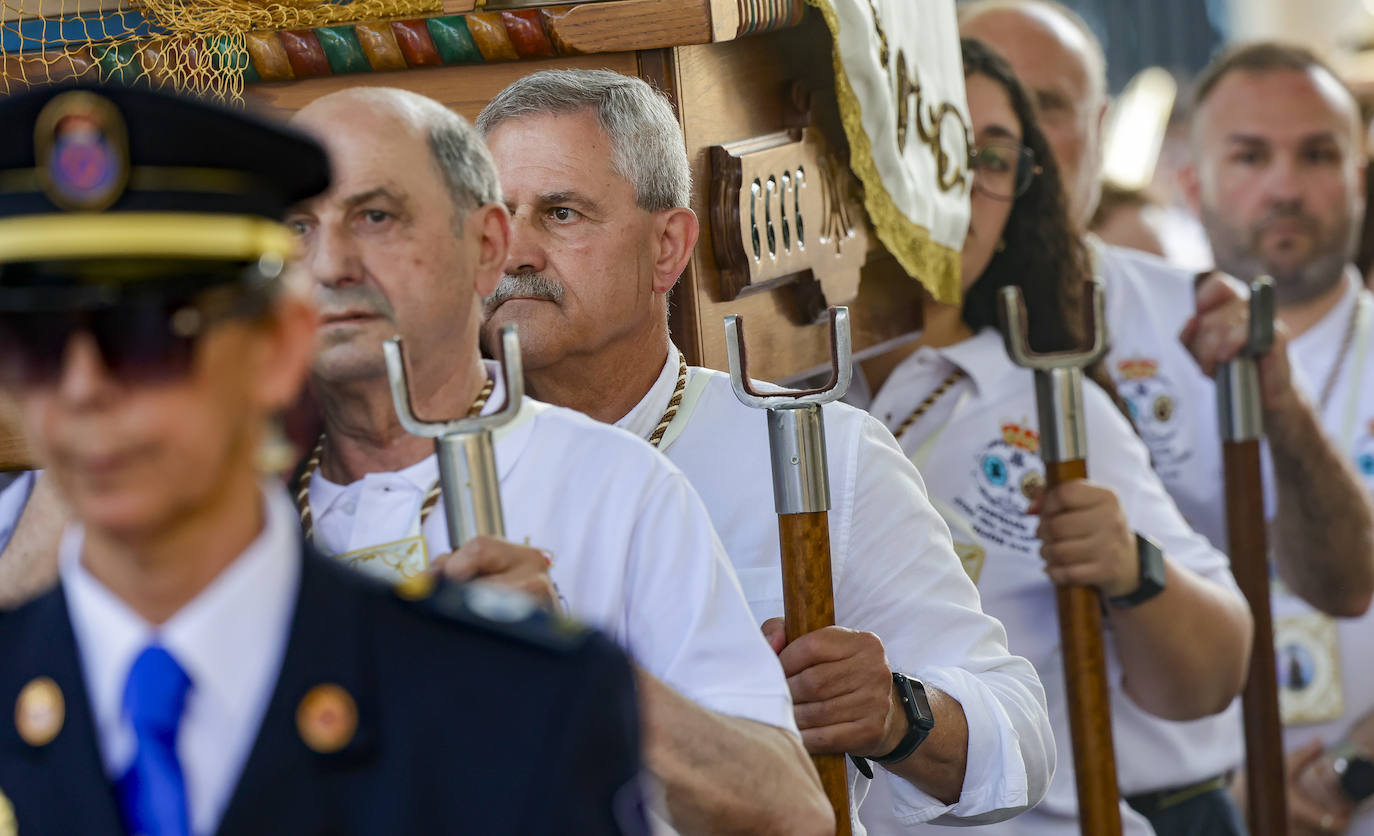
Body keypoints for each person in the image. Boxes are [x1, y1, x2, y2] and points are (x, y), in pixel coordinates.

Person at [0, 83, 646, 835]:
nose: (82, 390)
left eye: (149, 335)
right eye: (34, 341)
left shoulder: (510, 706)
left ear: (278, 347)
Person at [474, 68, 1055, 833]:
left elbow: (1022, 742)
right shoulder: (420, 462)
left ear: (667, 248)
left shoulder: (820, 449)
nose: (516, 253)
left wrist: (895, 712)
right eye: (494, 219)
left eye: (560, 212)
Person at [284, 86, 831, 836]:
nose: (331, 263)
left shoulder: (615, 485)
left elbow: (790, 812)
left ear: (485, 249)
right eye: (297, 226)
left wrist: (575, 669)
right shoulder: (221, 501)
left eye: (375, 218)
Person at [862, 38, 1253, 835]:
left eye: (993, 158)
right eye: (926, 140)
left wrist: (1130, 569)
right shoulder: (767, 387)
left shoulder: (1046, 402)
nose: (960, 181)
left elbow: (1213, 675)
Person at [959, 0, 1374, 620]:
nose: (1019, 142)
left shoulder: (1201, 319)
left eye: (1045, 106)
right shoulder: (871, 339)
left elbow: (1339, 582)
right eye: (981, 118)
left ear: (1098, 129)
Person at [1182, 40, 1374, 836]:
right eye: (1251, 155)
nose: (1286, 187)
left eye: (1318, 154)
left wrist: (1349, 773)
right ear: (1193, 183)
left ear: (1361, 174)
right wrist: (1224, 786)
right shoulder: (1129, 372)